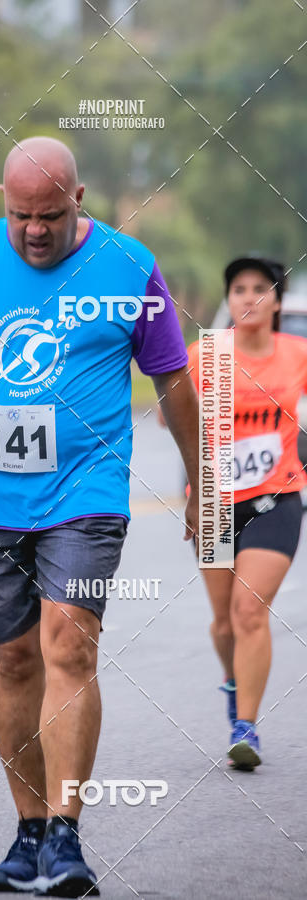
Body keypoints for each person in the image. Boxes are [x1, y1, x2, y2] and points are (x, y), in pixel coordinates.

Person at [0, 136, 199, 896]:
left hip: (86, 490)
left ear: (80, 200)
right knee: (15, 661)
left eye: (49, 216)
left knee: (68, 643)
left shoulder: (129, 266)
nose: (33, 230)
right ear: (3, 203)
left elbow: (173, 383)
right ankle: (27, 831)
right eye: (19, 215)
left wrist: (203, 479)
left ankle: (67, 837)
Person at [185, 257, 307, 771]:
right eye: (239, 289)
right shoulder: (203, 356)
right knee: (222, 623)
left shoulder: (298, 353)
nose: (249, 297)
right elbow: (180, 425)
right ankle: (235, 683)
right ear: (228, 299)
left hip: (276, 495)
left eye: (261, 288)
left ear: (278, 301)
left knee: (249, 611)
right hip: (213, 502)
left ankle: (246, 728)